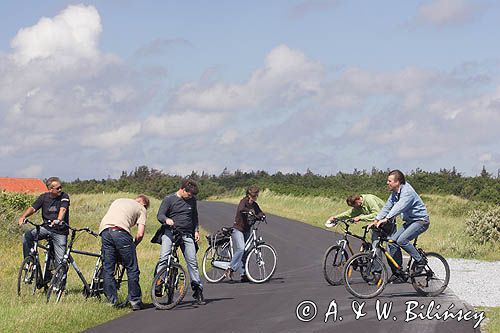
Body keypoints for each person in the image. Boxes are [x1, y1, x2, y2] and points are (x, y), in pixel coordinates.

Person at [369, 169, 430, 280]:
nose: (387, 183)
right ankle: (399, 272)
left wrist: (387, 219)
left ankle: (420, 260)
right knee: (392, 242)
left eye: (389, 181)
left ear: (397, 182)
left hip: (420, 221)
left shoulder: (407, 192)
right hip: (410, 222)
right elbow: (387, 207)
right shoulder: (395, 193)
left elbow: (398, 207)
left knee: (402, 240)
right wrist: (376, 219)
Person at [153, 179, 205, 305]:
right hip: (170, 232)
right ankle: (159, 282)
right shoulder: (169, 199)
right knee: (164, 257)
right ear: (182, 190)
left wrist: (196, 231)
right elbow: (160, 215)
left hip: (187, 234)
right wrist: (166, 220)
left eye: (192, 195)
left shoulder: (192, 200)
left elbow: (194, 217)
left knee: (192, 261)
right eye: (189, 194)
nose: (190, 197)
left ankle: (197, 289)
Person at [98, 195, 150, 311]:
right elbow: (140, 234)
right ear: (144, 204)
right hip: (121, 232)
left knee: (108, 268)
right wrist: (134, 244)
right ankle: (135, 300)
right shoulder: (142, 208)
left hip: (105, 231)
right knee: (132, 268)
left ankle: (112, 301)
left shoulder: (118, 200)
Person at [325, 193, 394, 276]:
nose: (354, 208)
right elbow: (350, 213)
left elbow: (377, 214)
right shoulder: (359, 205)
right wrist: (335, 217)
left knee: (392, 247)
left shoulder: (369, 199)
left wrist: (360, 218)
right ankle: (377, 272)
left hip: (388, 222)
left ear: (358, 200)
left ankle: (397, 272)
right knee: (375, 247)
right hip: (376, 225)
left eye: (354, 205)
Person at [18, 177, 70, 267]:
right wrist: (23, 216)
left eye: (60, 187)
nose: (60, 190)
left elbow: (63, 209)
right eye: (57, 188)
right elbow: (33, 208)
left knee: (61, 262)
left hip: (60, 232)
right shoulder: (44, 197)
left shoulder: (64, 196)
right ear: (50, 189)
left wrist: (58, 220)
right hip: (46, 228)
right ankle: (30, 263)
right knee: (27, 236)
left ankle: (60, 279)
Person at [224, 185, 264, 283]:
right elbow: (241, 209)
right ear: (249, 195)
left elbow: (259, 212)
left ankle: (243, 274)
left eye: (256, 195)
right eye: (253, 195)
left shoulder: (254, 205)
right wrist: (249, 211)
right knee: (241, 248)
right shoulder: (243, 201)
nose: (254, 197)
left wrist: (262, 215)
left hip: (247, 229)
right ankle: (230, 269)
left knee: (245, 252)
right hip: (238, 229)